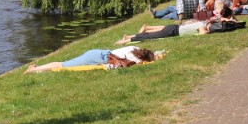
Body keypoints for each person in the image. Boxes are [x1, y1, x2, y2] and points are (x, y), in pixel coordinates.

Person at [26, 46, 158, 72]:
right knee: (63, 65)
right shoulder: (137, 60)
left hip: (98, 52)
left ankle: (38, 70)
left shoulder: (134, 48)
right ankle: (34, 69)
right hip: (96, 58)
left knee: (65, 64)